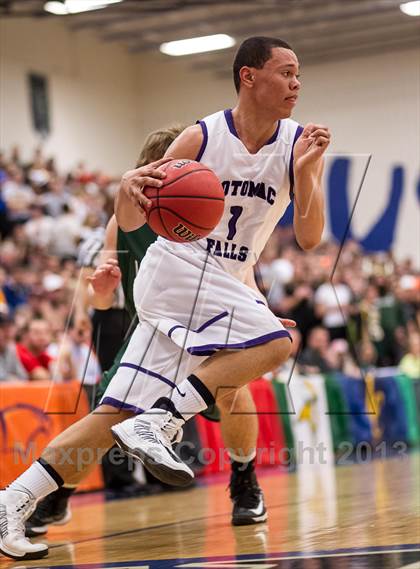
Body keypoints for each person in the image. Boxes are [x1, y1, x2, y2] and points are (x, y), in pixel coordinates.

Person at [0, 115, 298, 560]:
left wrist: (256, 305)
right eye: (163, 164)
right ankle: (45, 494)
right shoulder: (131, 216)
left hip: (195, 313)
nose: (173, 170)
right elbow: (103, 291)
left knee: (233, 385)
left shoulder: (208, 205)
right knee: (111, 417)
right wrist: (99, 295)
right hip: (148, 320)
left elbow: (236, 270)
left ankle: (242, 480)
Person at [109, 36, 328, 484]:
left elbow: (309, 238)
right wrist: (127, 189)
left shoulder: (298, 144)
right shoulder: (200, 137)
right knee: (274, 343)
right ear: (248, 77)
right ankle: (169, 427)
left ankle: (22, 497)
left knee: (228, 384)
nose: (297, 84)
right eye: (286, 73)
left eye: (298, 75)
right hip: (183, 269)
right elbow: (139, 218)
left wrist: (306, 172)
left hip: (234, 275)